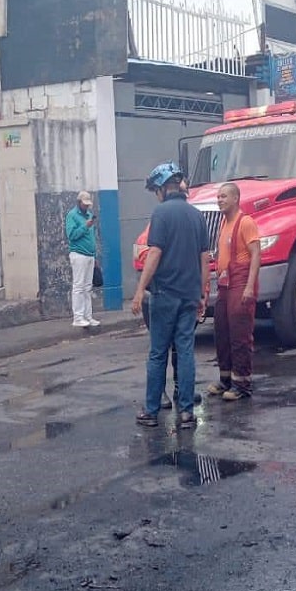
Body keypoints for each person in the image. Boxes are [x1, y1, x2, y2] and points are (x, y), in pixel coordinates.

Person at [131, 162, 209, 429]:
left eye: (157, 190)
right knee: (185, 351)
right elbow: (204, 258)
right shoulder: (196, 215)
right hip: (189, 295)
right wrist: (202, 293)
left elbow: (154, 253)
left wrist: (140, 289)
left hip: (165, 295)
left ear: (164, 188)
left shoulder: (161, 213)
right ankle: (187, 413)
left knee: (158, 353)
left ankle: (151, 411)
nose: (157, 195)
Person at [205, 182, 260, 401]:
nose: (220, 200)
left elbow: (256, 254)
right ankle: (225, 378)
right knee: (222, 330)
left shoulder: (245, 222)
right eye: (218, 197)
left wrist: (249, 286)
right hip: (225, 284)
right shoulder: (222, 224)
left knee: (240, 333)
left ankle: (242, 383)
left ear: (236, 199)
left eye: (224, 196)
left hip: (240, 282)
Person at [65, 190, 99, 327]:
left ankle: (88, 316)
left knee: (87, 287)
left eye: (88, 204)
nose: (87, 207)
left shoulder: (89, 215)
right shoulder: (72, 216)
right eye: (84, 204)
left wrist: (94, 255)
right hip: (78, 254)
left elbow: (91, 238)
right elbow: (71, 235)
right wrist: (85, 226)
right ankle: (78, 317)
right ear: (79, 203)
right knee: (79, 286)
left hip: (89, 255)